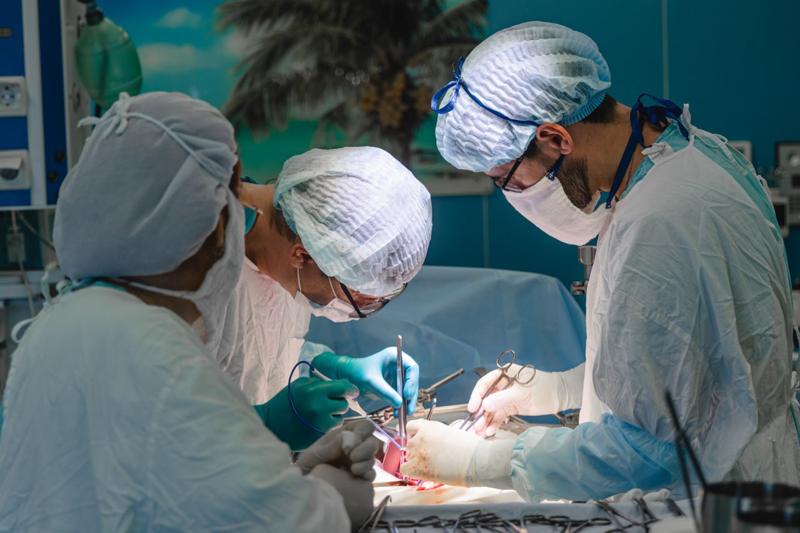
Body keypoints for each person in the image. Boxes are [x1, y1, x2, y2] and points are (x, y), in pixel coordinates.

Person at [401, 21, 800, 501]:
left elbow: (652, 452)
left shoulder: (660, 221)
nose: (513, 193)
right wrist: (553, 389)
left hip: (702, 508)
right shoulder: (695, 156)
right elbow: (693, 369)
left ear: (555, 139)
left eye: (507, 178)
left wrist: (481, 461)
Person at [0, 92, 377, 531]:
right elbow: (283, 524)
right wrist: (332, 501)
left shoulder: (63, 322)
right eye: (230, 209)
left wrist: (287, 471)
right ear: (206, 225)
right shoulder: (152, 346)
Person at [215, 146, 432, 450]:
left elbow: (249, 351)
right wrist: (261, 423)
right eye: (358, 298)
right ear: (302, 256)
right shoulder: (189, 265)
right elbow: (155, 411)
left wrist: (326, 365)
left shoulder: (294, 242)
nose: (357, 310)